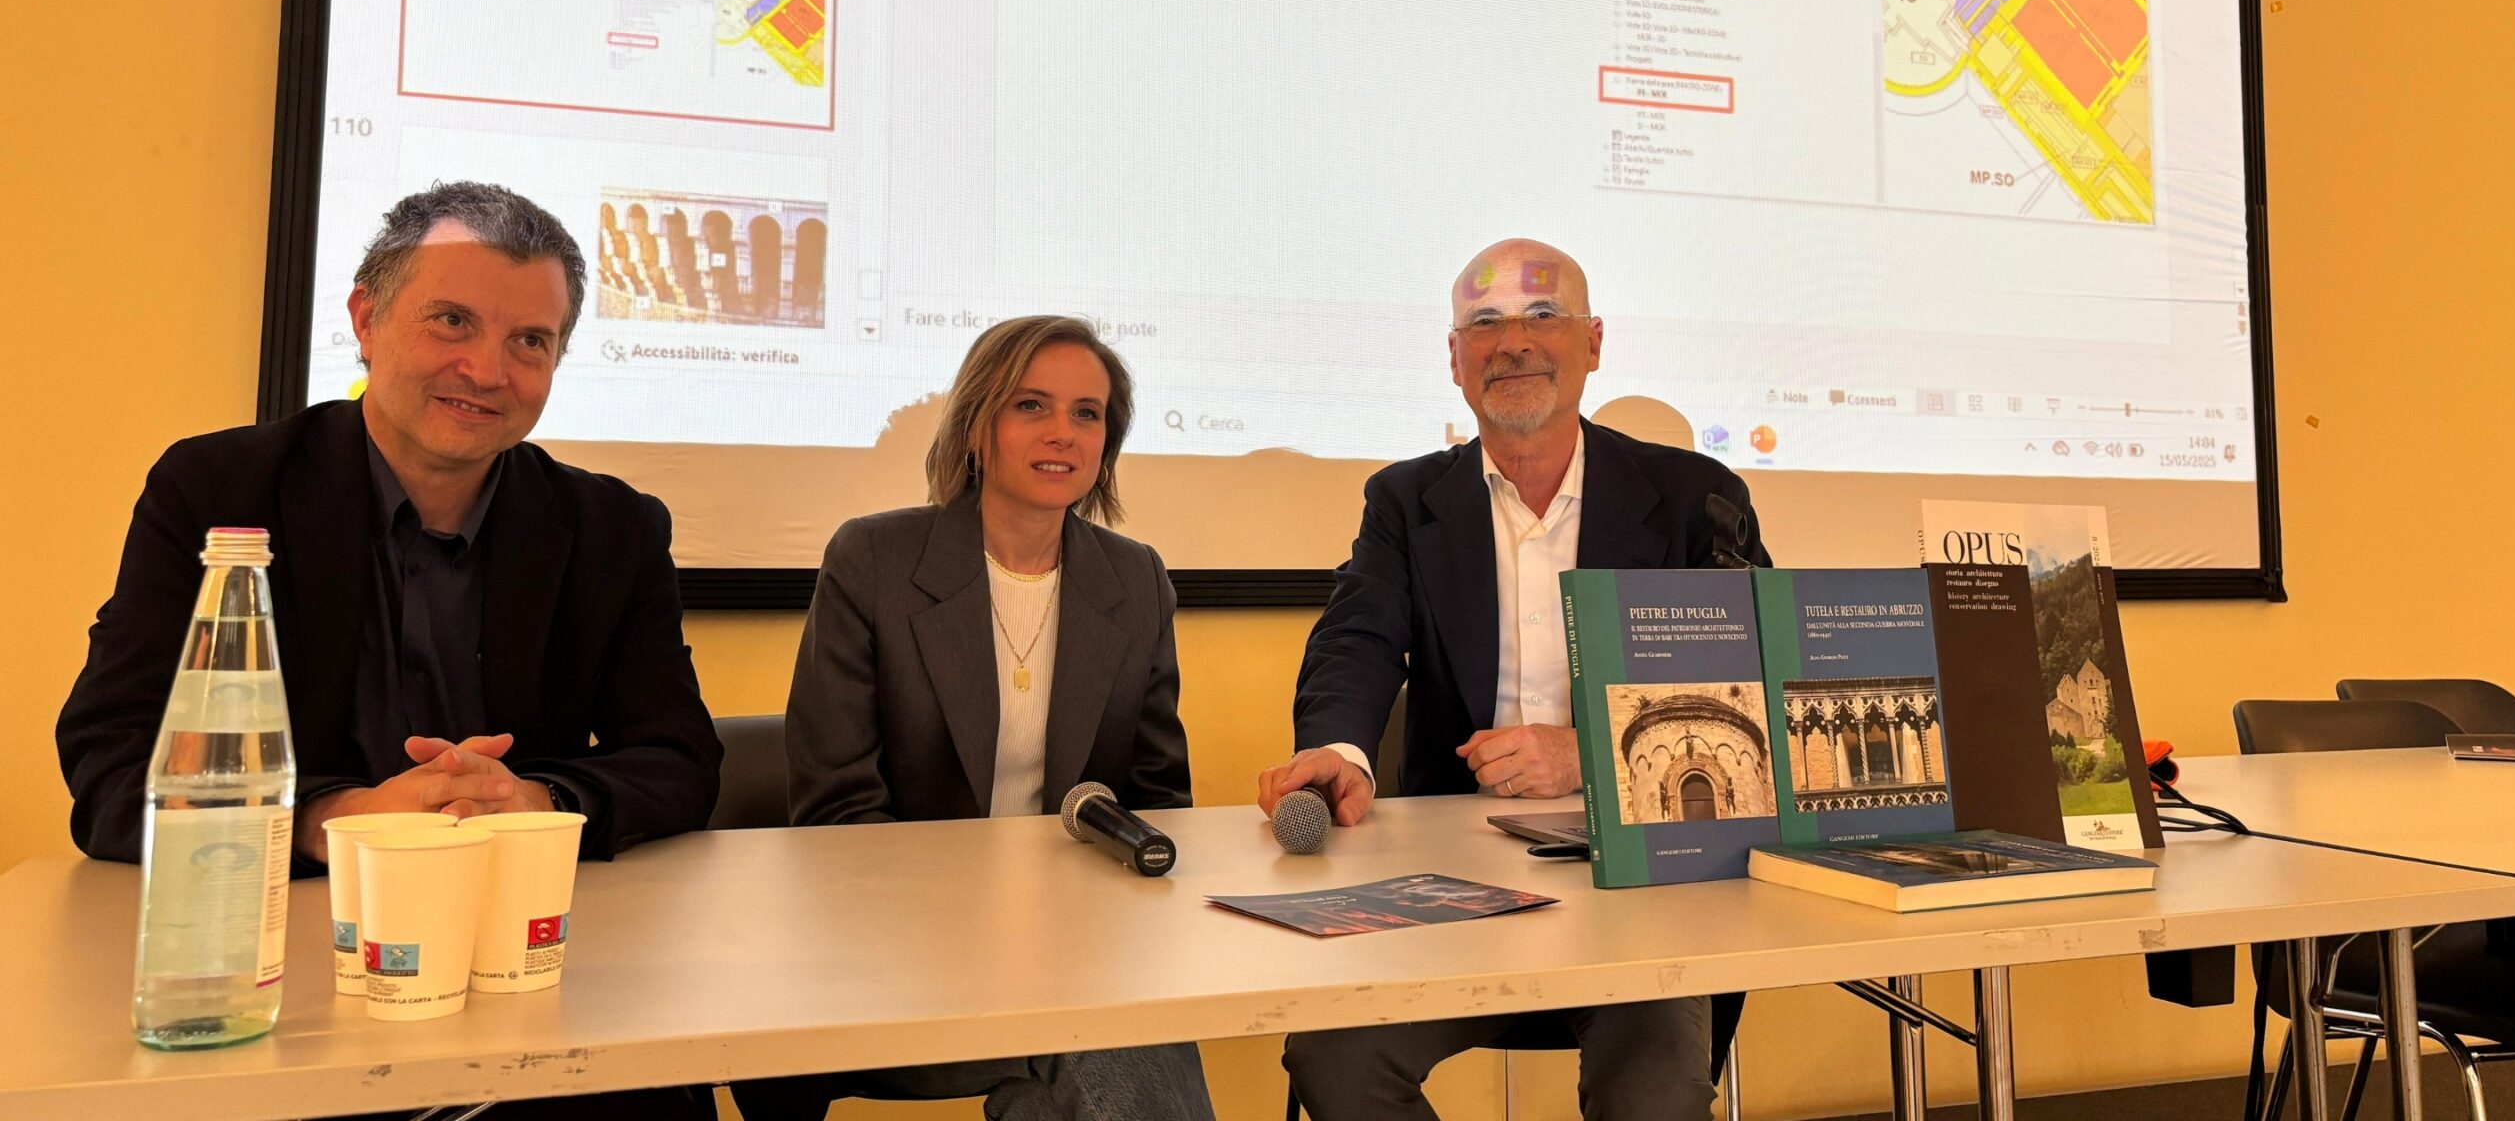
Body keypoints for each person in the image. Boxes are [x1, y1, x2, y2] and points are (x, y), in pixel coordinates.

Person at [59, 181, 721, 1121]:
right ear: (366, 321)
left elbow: (681, 761)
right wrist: (338, 820)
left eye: (530, 341)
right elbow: (110, 765)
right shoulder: (220, 492)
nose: (487, 370)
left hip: (539, 997)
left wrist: (532, 803)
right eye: (452, 321)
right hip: (281, 994)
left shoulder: (611, 526)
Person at [1258, 239, 1771, 1121]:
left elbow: (1751, 689)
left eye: (1542, 315)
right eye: (1484, 323)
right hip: (1448, 884)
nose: (1513, 342)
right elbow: (1357, 637)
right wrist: (1341, 750)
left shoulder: (1696, 496)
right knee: (1333, 1058)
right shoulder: (1404, 501)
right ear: (1455, 357)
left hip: (1644, 882)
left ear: (1593, 342)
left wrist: (1592, 756)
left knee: (1655, 1096)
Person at [733, 316, 1215, 1121]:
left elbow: (1158, 801)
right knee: (1114, 1034)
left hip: (1080, 949)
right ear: (976, 428)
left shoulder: (1136, 581)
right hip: (897, 952)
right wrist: (993, 934)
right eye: (1031, 405)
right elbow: (838, 813)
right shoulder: (874, 561)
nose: (1062, 432)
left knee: (1088, 1054)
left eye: (1087, 413)